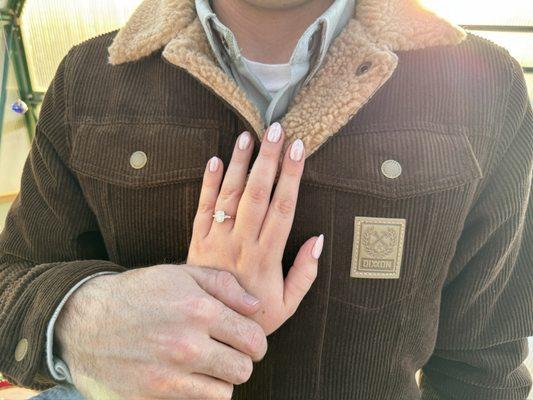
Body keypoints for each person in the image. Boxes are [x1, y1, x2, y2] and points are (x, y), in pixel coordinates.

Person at [0, 0, 532, 398]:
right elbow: (11, 276)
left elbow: (485, 363)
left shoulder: (486, 87)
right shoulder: (90, 78)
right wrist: (79, 314)